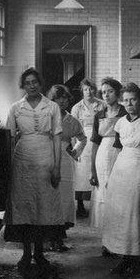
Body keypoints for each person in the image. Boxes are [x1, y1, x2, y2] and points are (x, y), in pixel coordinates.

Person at [6, 68, 63, 279]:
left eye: (35, 82)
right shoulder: (15, 108)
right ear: (23, 85)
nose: (32, 85)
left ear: (40, 84)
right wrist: (10, 166)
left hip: (46, 157)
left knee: (43, 206)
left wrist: (56, 167)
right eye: (28, 82)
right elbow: (10, 138)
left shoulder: (52, 106)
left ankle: (39, 253)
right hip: (23, 159)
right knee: (25, 206)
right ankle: (25, 253)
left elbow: (57, 138)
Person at [102, 83, 140, 275]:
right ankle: (124, 258)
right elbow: (117, 150)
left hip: (139, 166)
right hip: (121, 169)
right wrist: (111, 174)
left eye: (133, 99)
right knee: (121, 216)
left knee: (137, 214)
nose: (129, 103)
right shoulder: (120, 123)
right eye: (125, 100)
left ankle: (137, 261)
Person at [49, 84, 87, 251]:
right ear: (52, 100)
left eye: (65, 98)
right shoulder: (45, 117)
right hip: (46, 158)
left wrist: (74, 151)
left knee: (63, 197)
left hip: (65, 161)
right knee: (49, 196)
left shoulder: (71, 120)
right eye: (58, 98)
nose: (62, 101)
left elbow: (82, 138)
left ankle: (59, 237)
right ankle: (46, 237)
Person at [89, 79, 126, 239]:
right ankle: (107, 240)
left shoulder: (125, 113)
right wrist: (92, 170)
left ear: (117, 93)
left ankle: (120, 239)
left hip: (121, 154)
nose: (106, 95)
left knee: (119, 195)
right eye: (104, 92)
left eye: (110, 91)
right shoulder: (99, 115)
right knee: (103, 194)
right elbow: (95, 143)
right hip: (102, 156)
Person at [70, 79, 104, 218]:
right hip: (82, 141)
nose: (88, 92)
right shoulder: (77, 107)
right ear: (82, 91)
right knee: (81, 174)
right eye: (85, 89)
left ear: (94, 90)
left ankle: (98, 204)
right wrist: (74, 148)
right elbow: (72, 129)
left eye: (90, 89)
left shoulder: (101, 105)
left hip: (98, 140)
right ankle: (80, 205)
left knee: (98, 170)